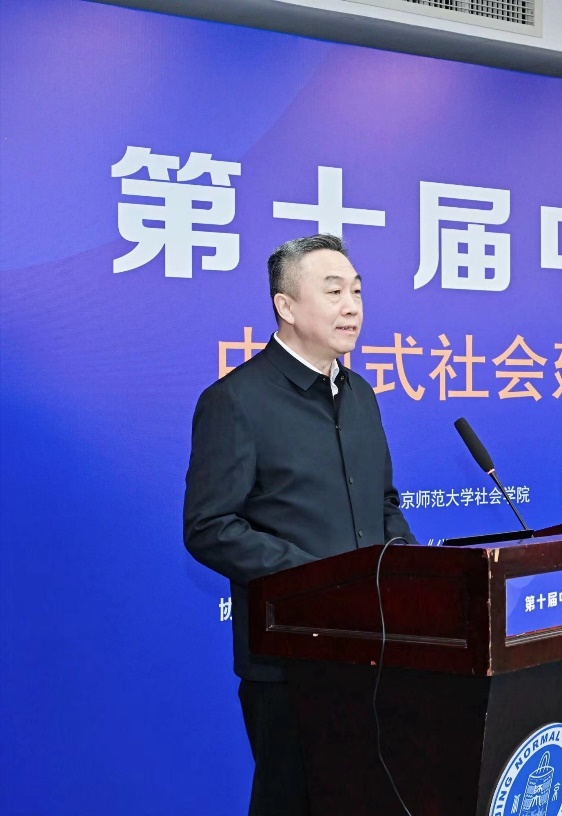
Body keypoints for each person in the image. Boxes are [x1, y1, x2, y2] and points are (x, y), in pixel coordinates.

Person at [183, 233, 416, 815]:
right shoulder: (236, 401)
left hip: (373, 651)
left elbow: (384, 502)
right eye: (334, 292)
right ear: (285, 306)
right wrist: (317, 581)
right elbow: (209, 525)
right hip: (289, 661)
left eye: (357, 291)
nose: (352, 306)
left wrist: (409, 573)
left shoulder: (362, 395)